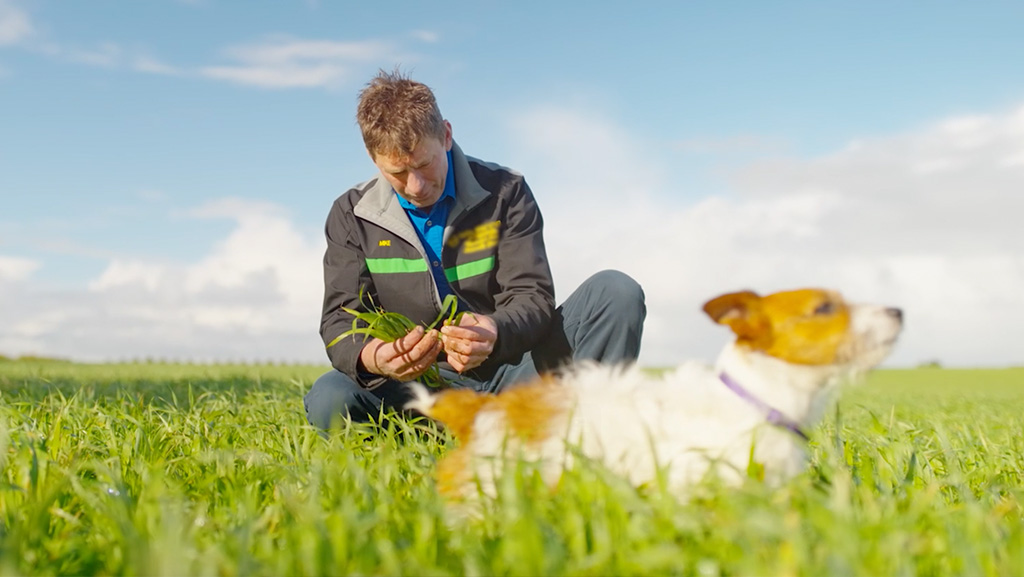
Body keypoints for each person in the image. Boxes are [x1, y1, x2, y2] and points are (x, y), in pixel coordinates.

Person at [303, 69, 646, 428]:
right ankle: (428, 444)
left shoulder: (507, 192)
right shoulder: (351, 214)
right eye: (398, 173)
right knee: (331, 396)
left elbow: (532, 295)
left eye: (424, 164)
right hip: (416, 392)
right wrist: (375, 357)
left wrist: (494, 331)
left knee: (616, 291)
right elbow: (340, 319)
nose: (416, 186)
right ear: (374, 159)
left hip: (513, 373)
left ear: (447, 135)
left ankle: (584, 434)